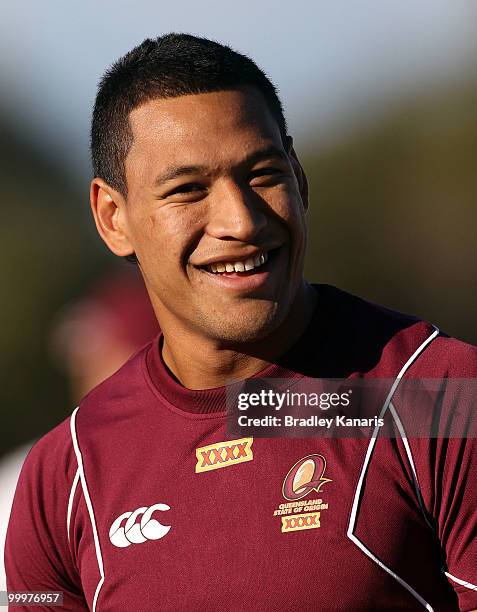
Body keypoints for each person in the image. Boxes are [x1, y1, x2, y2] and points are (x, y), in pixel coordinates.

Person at [5, 33, 477, 611]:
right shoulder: (62, 473)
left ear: (299, 178)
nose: (241, 221)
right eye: (188, 190)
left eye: (262, 174)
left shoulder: (443, 397)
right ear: (113, 217)